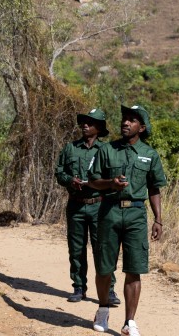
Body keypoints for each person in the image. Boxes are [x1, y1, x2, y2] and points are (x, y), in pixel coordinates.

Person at [87, 104, 167, 336]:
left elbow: (154, 189)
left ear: (141, 128)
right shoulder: (107, 150)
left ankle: (129, 322)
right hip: (109, 211)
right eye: (124, 119)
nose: (125, 123)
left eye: (132, 120)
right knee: (104, 268)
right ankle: (102, 309)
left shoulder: (150, 154)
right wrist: (111, 183)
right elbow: (93, 181)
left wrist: (158, 220)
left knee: (134, 269)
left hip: (136, 215)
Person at [53, 108, 119, 306]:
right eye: (83, 122)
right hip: (76, 206)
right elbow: (59, 172)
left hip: (100, 206)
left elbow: (113, 176)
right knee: (76, 249)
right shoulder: (70, 148)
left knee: (103, 249)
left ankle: (110, 290)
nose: (85, 125)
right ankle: (79, 287)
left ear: (98, 128)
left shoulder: (107, 150)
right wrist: (69, 180)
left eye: (90, 123)